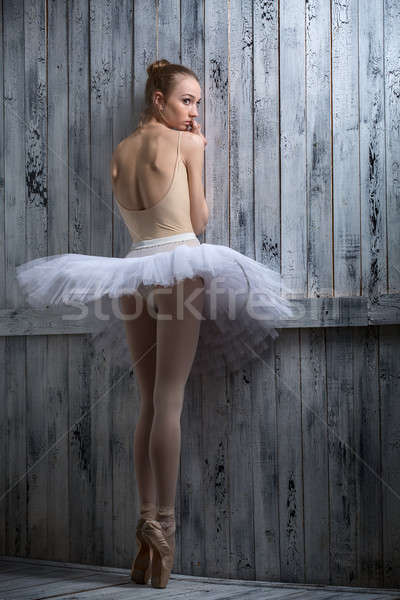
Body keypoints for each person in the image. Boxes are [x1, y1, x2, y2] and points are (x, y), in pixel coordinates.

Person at [15, 59, 296, 589]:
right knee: (169, 402)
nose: (193, 112)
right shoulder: (188, 145)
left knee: (147, 404)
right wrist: (199, 151)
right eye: (187, 100)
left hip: (132, 273)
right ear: (159, 99)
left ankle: (146, 526)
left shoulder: (120, 153)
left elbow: (141, 220)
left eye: (197, 104)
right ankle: (163, 530)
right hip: (178, 269)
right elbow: (198, 223)